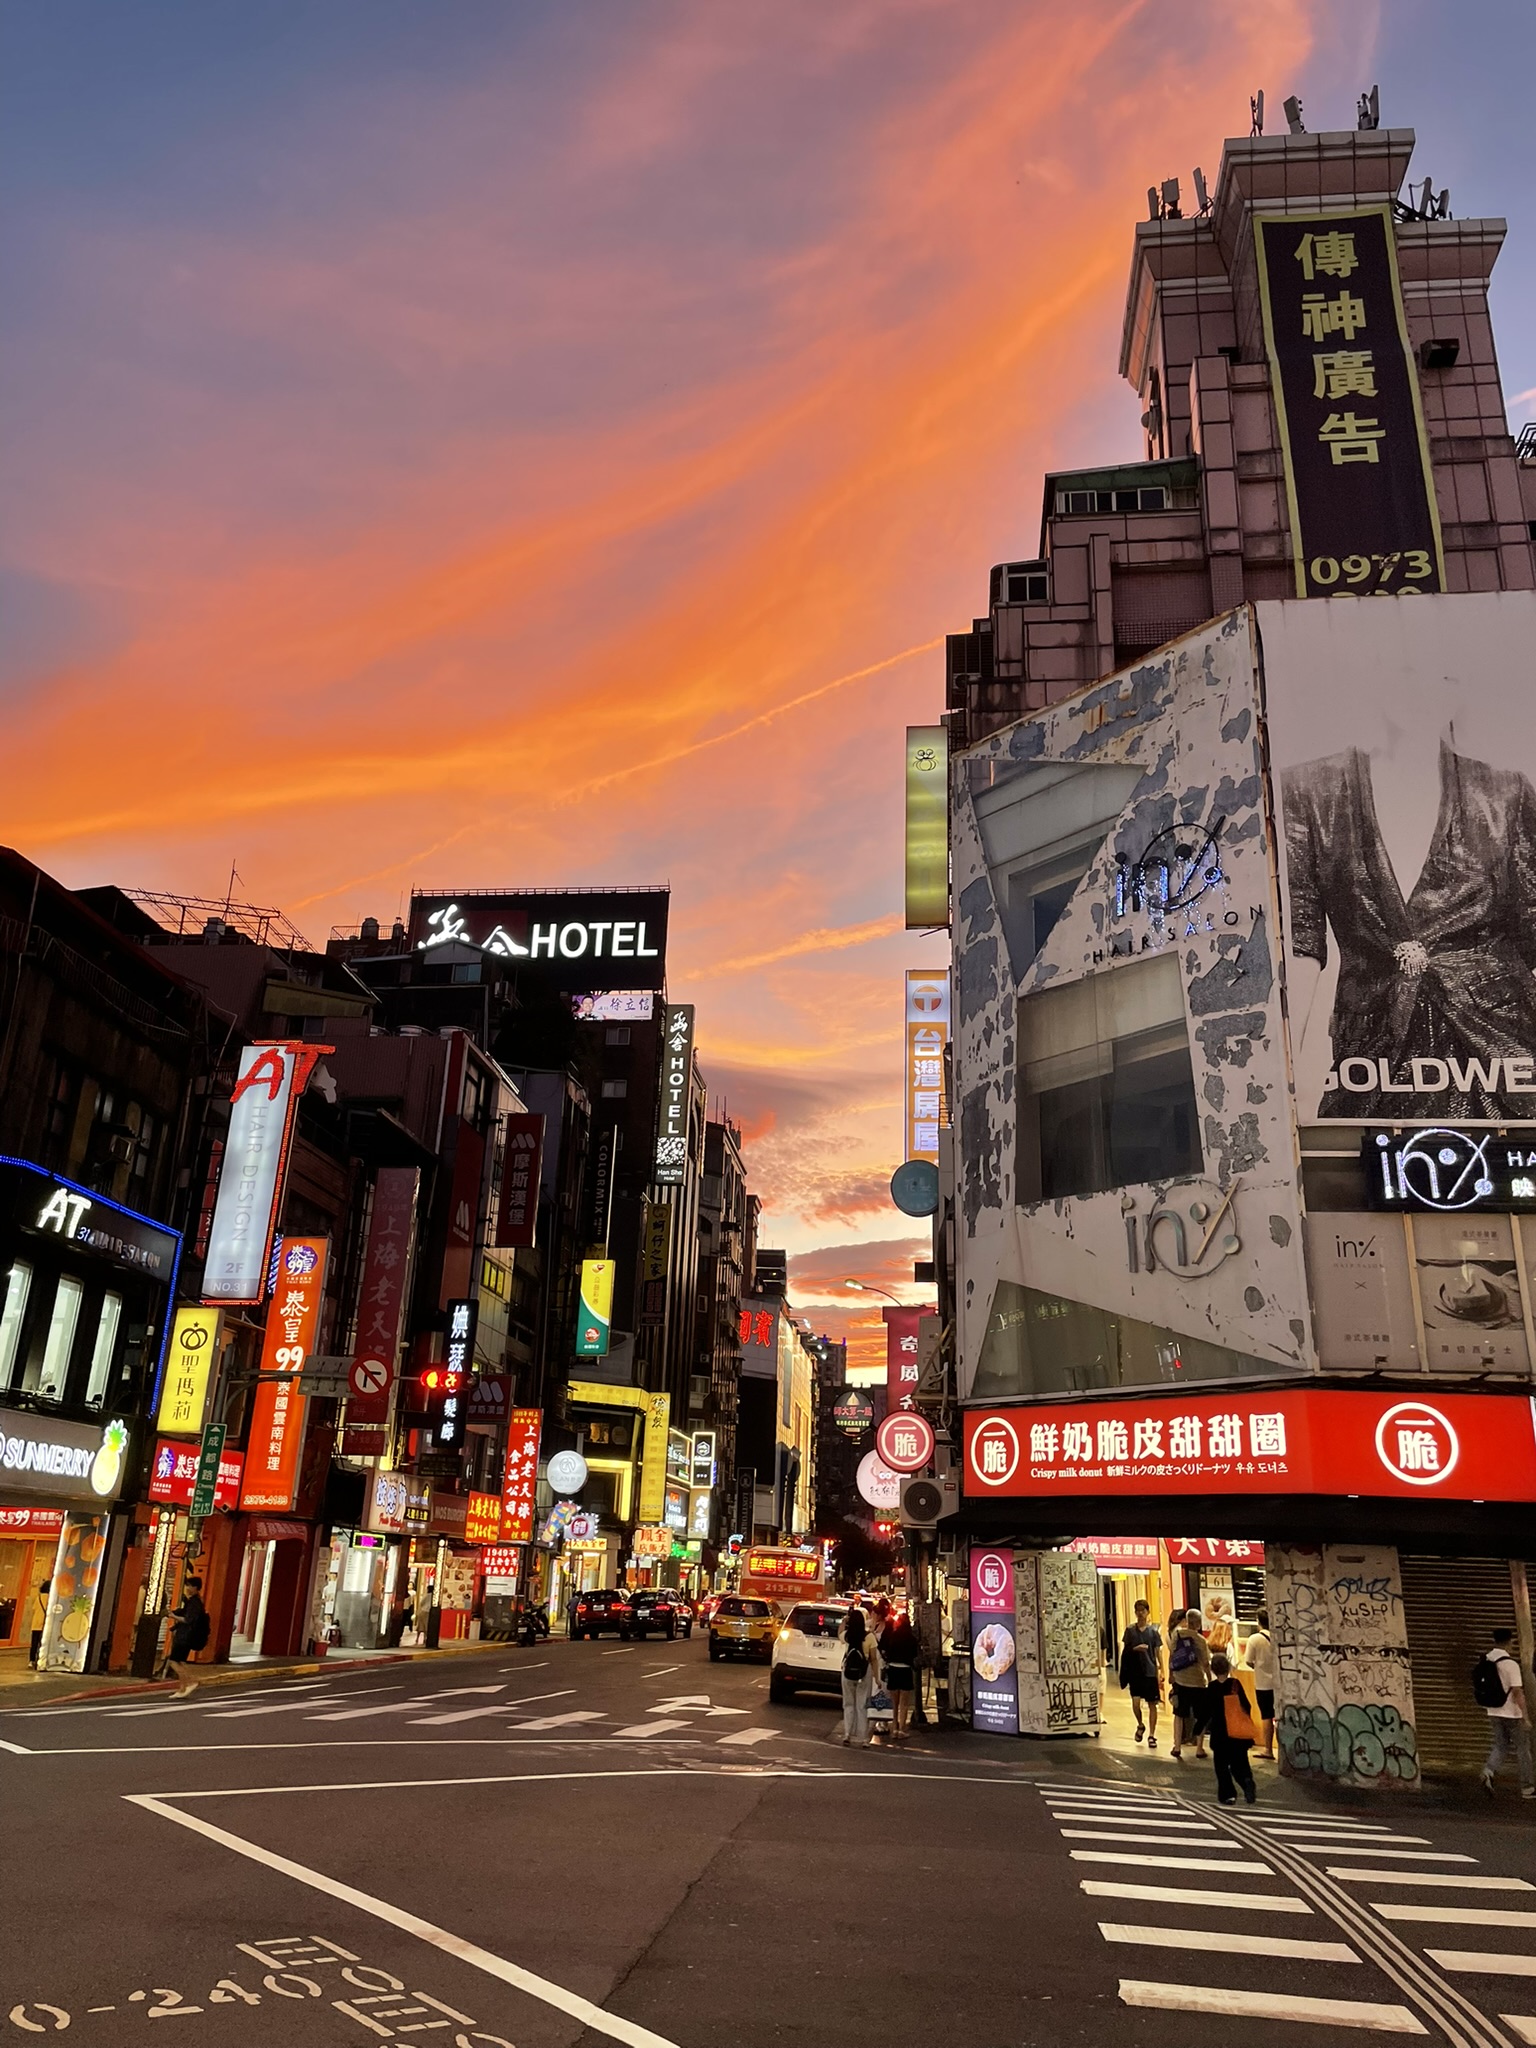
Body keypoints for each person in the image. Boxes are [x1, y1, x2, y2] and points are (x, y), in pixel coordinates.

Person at [1478, 1628, 1535, 1798]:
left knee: (1500, 1745)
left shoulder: (1487, 1659)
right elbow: (1517, 1692)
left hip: (1493, 1711)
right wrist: (1525, 1717)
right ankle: (1527, 1788)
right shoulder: (1510, 1664)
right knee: (1523, 1749)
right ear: (1510, 1642)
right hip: (1512, 1713)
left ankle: (1488, 1771)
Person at [1198, 1651, 1259, 1806]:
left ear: (1213, 1670)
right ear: (1228, 1668)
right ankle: (1247, 1782)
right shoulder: (1235, 1684)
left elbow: (1205, 1712)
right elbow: (1246, 1705)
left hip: (1220, 1734)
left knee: (1222, 1767)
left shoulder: (1211, 1688)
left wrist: (1198, 1729)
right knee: (1241, 1763)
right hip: (1238, 1735)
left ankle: (1227, 1795)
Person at [1167, 1607, 1212, 1760]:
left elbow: (1172, 1656)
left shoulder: (1177, 1635)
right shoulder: (1200, 1640)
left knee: (1179, 1715)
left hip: (1180, 1681)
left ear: (1187, 1621)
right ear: (1198, 1623)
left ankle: (1177, 1746)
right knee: (1200, 1716)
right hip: (1198, 1682)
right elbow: (1206, 1663)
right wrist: (1209, 1679)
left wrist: (1171, 1674)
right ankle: (1199, 1748)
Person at [1119, 1599, 1163, 1749]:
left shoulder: (1153, 1633)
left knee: (1152, 1704)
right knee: (1136, 1702)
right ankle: (1140, 1724)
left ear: (1147, 1612)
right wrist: (1134, 1649)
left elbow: (1158, 1652)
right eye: (1138, 1610)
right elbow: (1125, 1651)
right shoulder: (1130, 1631)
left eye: (1143, 1610)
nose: (1140, 1613)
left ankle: (1152, 1735)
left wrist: (1161, 1670)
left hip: (1150, 1672)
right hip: (1135, 1672)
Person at [840, 1605, 880, 1746]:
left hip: (847, 1672)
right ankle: (864, 1739)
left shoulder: (848, 1635)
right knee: (862, 1705)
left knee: (848, 1704)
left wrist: (845, 1621)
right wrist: (877, 1677)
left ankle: (847, 1734)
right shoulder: (869, 1637)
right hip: (864, 1673)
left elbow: (839, 1633)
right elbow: (874, 1659)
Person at [165, 1575, 209, 1697]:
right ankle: (182, 1688)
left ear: (195, 1588)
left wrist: (173, 1617)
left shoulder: (195, 1603)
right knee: (181, 1662)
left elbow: (188, 1620)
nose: (187, 1588)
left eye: (189, 1586)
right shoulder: (194, 1601)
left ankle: (192, 1681)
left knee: (173, 1661)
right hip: (187, 1636)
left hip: (185, 1636)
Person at [880, 1608, 920, 1742]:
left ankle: (894, 1728)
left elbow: (886, 1650)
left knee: (894, 1703)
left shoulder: (893, 1636)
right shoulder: (911, 1638)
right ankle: (902, 1729)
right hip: (905, 1670)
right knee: (904, 1703)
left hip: (893, 1669)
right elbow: (915, 1654)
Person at [1244, 1609, 1278, 1760]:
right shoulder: (1278, 1637)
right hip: (1280, 1684)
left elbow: (1248, 1660)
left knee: (1266, 1715)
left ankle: (1268, 1749)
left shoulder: (1254, 1639)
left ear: (1258, 1621)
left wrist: (1259, 1667)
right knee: (1280, 1716)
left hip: (1263, 1683)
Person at [28, 1577, 51, 1669]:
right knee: (42, 1644)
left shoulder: (38, 1597)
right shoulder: (51, 1599)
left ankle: (31, 1661)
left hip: (36, 1623)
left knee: (34, 1643)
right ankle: (40, 1661)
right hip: (45, 1624)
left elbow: (34, 1608)